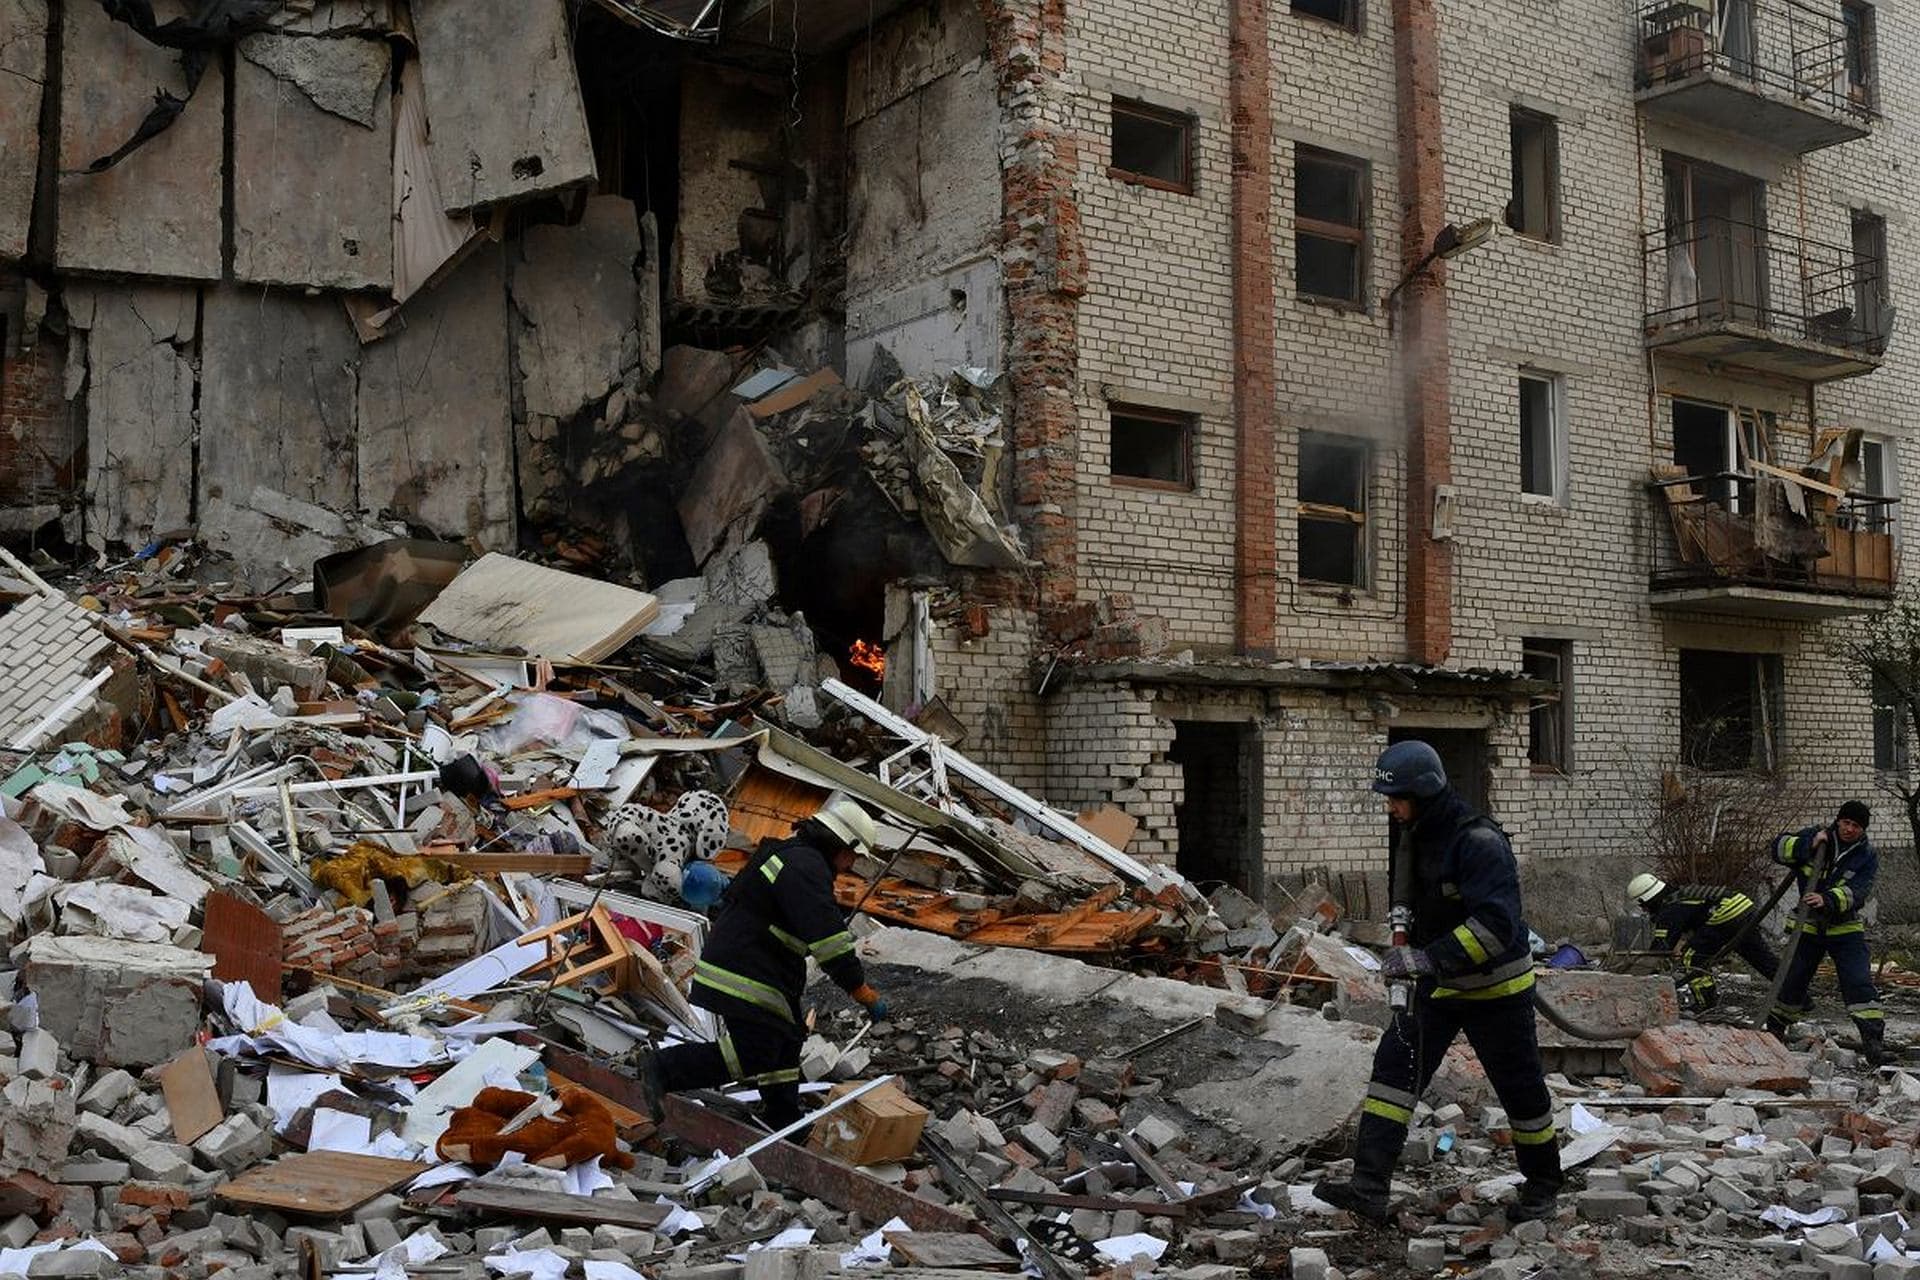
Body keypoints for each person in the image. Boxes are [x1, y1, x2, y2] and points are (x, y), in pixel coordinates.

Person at [1315, 741, 1562, 1225]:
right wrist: (1405, 944)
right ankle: (1368, 1188)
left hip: (1497, 991)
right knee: (1392, 1076)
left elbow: (1496, 927)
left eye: (1397, 798)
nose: (1390, 808)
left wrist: (1427, 957)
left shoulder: (1479, 843)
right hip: (1438, 986)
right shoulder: (1417, 832)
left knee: (1521, 1092)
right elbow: (1413, 899)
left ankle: (1542, 1188)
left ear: (1423, 793)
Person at [634, 794, 891, 1126]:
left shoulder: (793, 855)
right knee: (754, 1053)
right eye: (853, 855)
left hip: (757, 963)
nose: (851, 864)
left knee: (785, 1040)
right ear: (842, 844)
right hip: (745, 969)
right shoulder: (806, 867)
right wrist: (861, 991)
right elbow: (829, 940)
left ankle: (782, 1119)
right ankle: (663, 1067)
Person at [1766, 800, 1896, 1066]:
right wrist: (1808, 844)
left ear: (1863, 829)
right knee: (1792, 980)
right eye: (1846, 822)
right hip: (1807, 926)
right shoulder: (1817, 836)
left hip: (1844, 928)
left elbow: (1859, 891)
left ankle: (1873, 1044)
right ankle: (1774, 1034)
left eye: (1856, 826)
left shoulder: (1866, 855)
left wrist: (1828, 899)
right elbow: (1777, 848)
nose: (1849, 829)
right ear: (1838, 821)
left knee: (1858, 981)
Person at [1626, 873, 1778, 1012]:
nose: (1644, 911)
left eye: (1643, 906)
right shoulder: (1678, 897)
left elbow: (1660, 948)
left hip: (1726, 912)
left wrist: (1643, 975)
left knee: (1692, 957)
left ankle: (1706, 1004)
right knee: (1759, 957)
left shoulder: (1670, 908)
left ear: (1648, 899)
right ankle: (1787, 986)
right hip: (1741, 906)